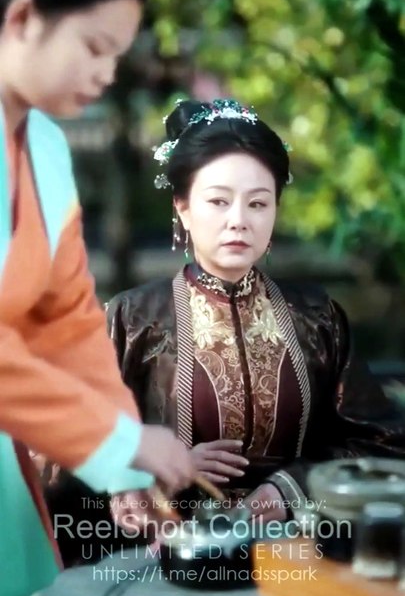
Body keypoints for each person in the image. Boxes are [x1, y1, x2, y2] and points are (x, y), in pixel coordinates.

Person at [0, 0, 195, 596]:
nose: (107, 74)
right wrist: (114, 440)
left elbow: (68, 322)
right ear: (24, 17)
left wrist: (123, 459)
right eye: (93, 47)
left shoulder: (46, 147)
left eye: (118, 55)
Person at [106, 97, 405, 533]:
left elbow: (380, 441)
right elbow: (68, 441)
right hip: (172, 547)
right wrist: (156, 472)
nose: (239, 221)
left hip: (299, 546)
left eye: (258, 204)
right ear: (182, 207)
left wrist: (293, 487)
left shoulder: (316, 317)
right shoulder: (134, 319)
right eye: (218, 201)